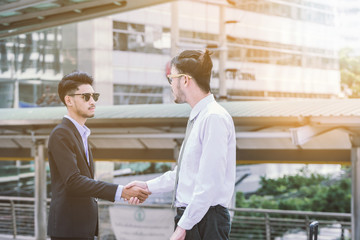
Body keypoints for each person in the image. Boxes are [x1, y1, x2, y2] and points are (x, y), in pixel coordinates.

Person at [126, 49, 236, 240]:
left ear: (185, 80)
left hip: (205, 221)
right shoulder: (200, 117)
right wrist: (146, 186)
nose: (171, 85)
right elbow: (185, 174)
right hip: (196, 218)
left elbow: (209, 183)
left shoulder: (213, 118)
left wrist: (184, 226)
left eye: (171, 78)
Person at [47, 71, 150, 240]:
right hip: (69, 230)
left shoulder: (80, 134)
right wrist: (121, 192)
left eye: (94, 96)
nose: (93, 101)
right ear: (69, 100)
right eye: (86, 96)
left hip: (82, 228)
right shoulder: (61, 134)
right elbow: (73, 181)